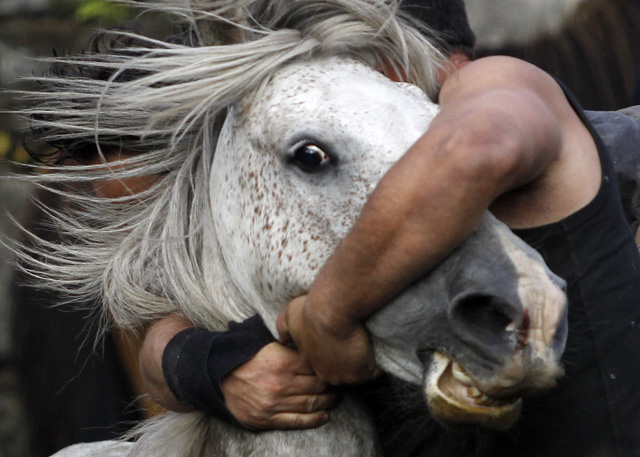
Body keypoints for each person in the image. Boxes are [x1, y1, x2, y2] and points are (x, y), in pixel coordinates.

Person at [141, 2, 640, 456]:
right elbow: (169, 327)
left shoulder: (495, 88)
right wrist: (214, 368)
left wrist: (329, 314)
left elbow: (470, 154)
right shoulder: (338, 163)